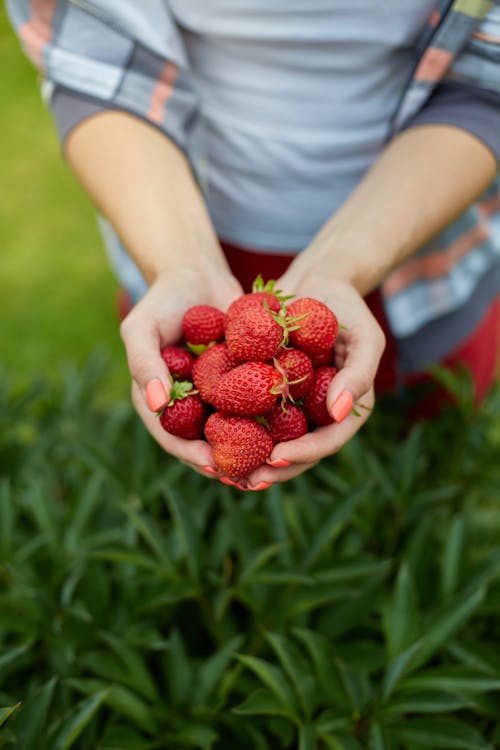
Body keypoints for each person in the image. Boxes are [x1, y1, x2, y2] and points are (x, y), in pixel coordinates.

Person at [7, 0, 500, 490]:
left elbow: (486, 81)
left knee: (424, 467)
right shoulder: (212, 335)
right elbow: (94, 56)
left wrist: (340, 268)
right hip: (171, 225)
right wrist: (178, 263)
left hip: (424, 253)